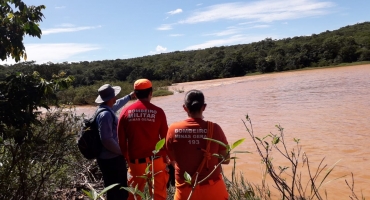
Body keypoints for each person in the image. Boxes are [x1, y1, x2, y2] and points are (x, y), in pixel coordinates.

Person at [166, 89, 230, 200]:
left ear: (185, 108)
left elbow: (171, 158)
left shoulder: (173, 129)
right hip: (213, 190)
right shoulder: (215, 128)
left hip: (185, 191)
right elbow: (226, 159)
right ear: (204, 107)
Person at [117, 79, 169, 200]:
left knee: (134, 195)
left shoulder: (125, 112)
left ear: (134, 94)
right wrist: (166, 157)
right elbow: (166, 138)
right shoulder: (158, 112)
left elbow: (121, 140)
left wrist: (127, 157)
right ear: (151, 92)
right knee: (159, 196)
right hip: (156, 161)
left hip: (136, 162)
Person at [95, 83, 135, 200]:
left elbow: (117, 105)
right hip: (111, 159)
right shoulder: (106, 114)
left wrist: (129, 96)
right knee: (118, 189)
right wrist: (122, 152)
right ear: (112, 97)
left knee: (113, 187)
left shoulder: (104, 109)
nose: (116, 99)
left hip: (108, 158)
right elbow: (106, 139)